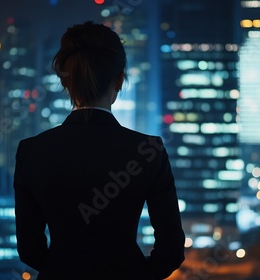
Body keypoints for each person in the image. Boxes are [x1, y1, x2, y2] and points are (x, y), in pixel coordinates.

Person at [13, 21, 185, 279]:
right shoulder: (148, 152)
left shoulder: (31, 152)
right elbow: (171, 251)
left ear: (65, 82)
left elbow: (29, 250)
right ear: (119, 80)